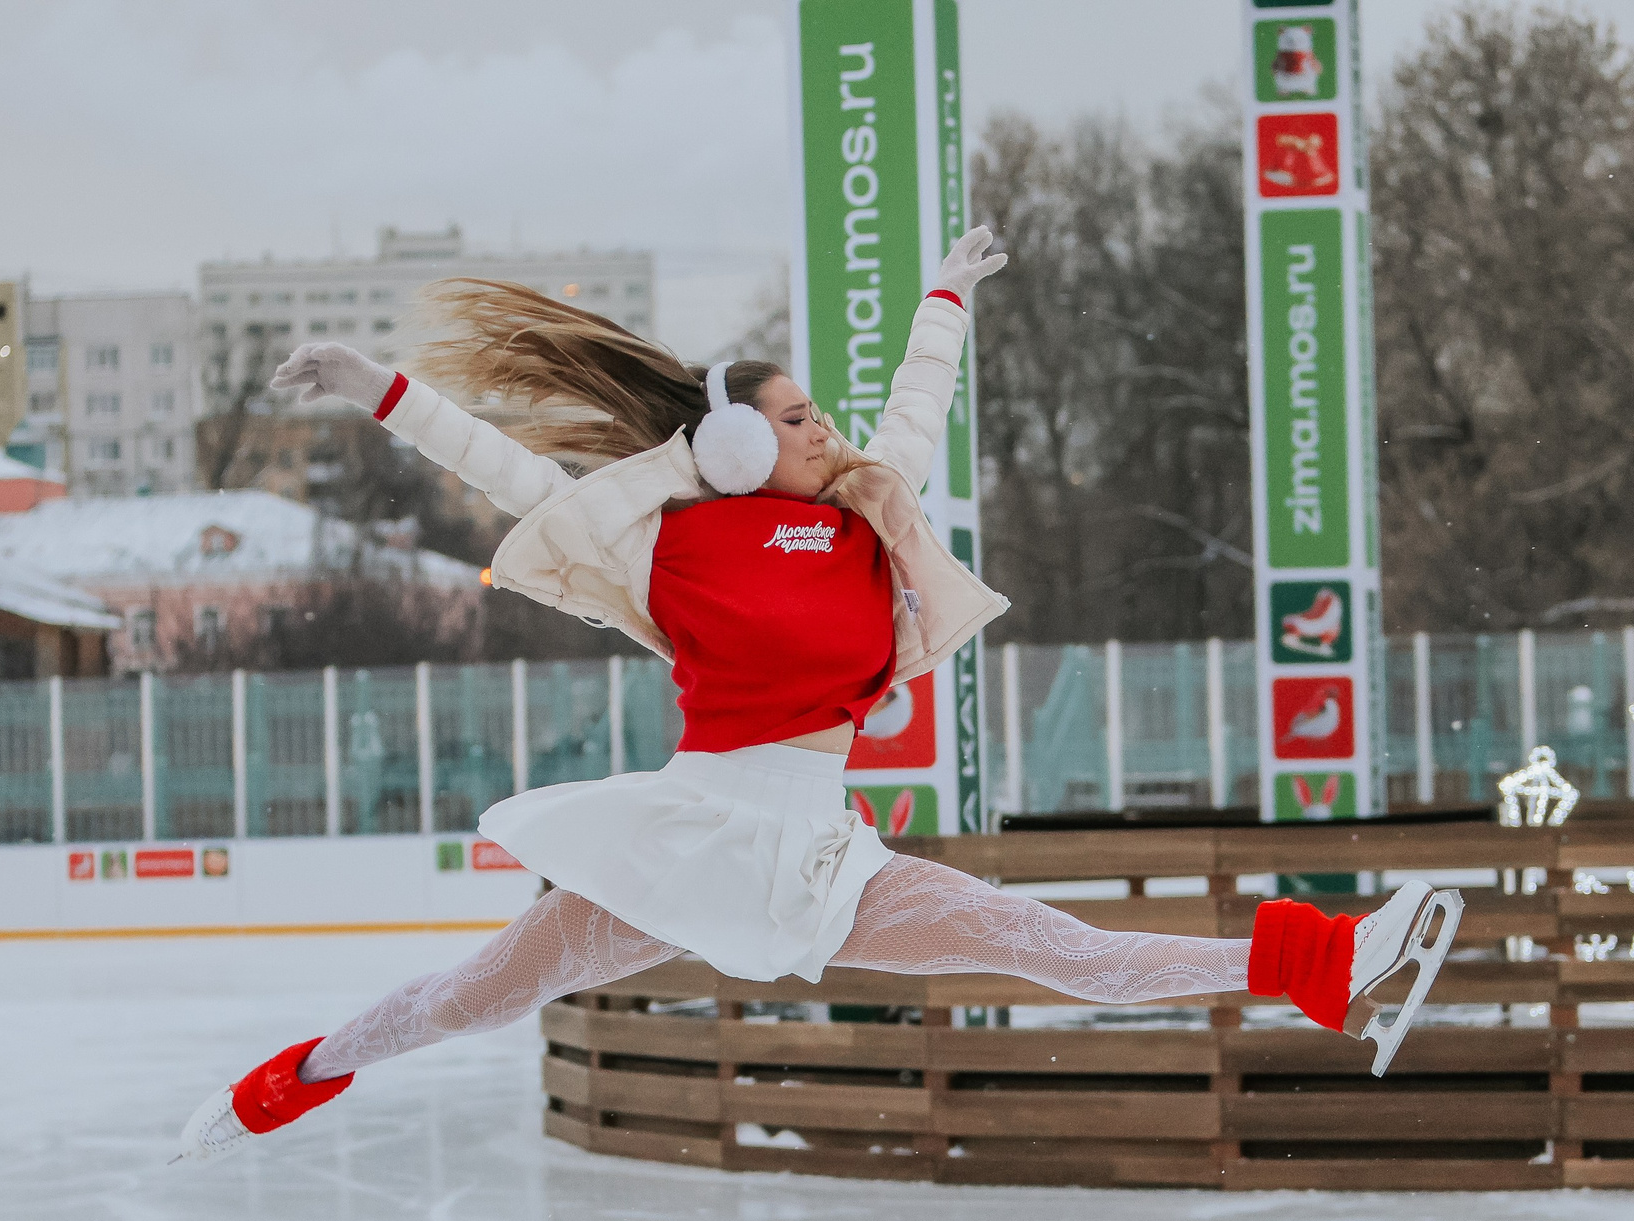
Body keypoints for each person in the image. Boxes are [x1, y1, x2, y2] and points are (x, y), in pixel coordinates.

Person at [175, 228, 1460, 1163]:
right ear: (733, 446)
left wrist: (947, 294)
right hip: (686, 839)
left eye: (815, 412)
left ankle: (1329, 962)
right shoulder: (668, 540)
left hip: (821, 858)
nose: (822, 429)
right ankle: (286, 1083)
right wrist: (374, 387)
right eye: (794, 419)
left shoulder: (865, 516)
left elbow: (918, 404)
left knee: (1048, 945)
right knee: (476, 997)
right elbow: (509, 472)